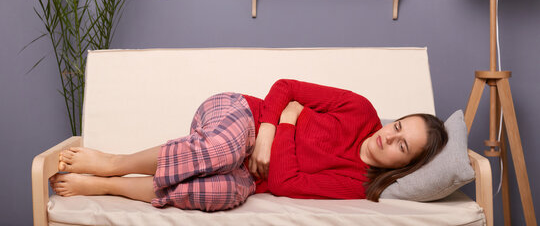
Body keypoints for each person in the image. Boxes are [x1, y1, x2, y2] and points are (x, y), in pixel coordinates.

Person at [49, 79, 448, 211]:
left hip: (249, 177)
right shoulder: (360, 109)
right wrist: (272, 128)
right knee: (219, 151)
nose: (388, 135)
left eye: (401, 146)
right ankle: (113, 162)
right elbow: (285, 88)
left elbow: (289, 184)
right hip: (238, 116)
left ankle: (107, 186)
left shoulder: (358, 183)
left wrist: (290, 119)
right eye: (397, 126)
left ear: (404, 166)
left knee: (215, 191)